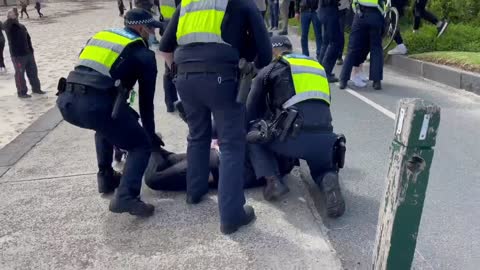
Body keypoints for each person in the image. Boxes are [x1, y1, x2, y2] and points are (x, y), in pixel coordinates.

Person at [158, 0, 272, 234]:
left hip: (186, 79)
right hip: (223, 78)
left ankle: (195, 192)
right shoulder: (242, 3)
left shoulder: (189, 4)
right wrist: (248, 63)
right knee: (231, 144)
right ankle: (232, 215)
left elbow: (165, 47)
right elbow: (266, 53)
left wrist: (177, 73)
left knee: (197, 136)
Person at [56, 8, 163, 217]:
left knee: (107, 125)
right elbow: (146, 103)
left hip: (67, 101)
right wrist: (149, 136)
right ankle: (126, 197)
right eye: (150, 29)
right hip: (95, 106)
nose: (152, 34)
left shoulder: (101, 37)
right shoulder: (144, 55)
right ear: (141, 28)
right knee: (139, 144)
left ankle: (106, 178)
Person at [246, 35, 345, 217]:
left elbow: (250, 113)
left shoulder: (271, 69)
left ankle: (273, 181)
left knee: (252, 131)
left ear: (272, 51)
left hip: (291, 139)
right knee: (322, 167)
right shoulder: (317, 67)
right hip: (326, 139)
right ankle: (328, 178)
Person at [339, 0, 384, 90]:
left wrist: (357, 11)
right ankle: (376, 81)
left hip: (360, 14)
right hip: (375, 14)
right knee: (376, 49)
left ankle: (343, 80)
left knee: (352, 48)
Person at [4, 9, 45, 98]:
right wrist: (10, 18)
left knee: (33, 72)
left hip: (28, 53)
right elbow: (7, 24)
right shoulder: (8, 26)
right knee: (20, 74)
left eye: (13, 13)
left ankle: (36, 89)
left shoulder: (22, 26)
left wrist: (31, 50)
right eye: (10, 14)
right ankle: (22, 92)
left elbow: (28, 38)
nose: (12, 14)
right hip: (17, 55)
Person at [159, 0, 180, 112]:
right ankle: (173, 102)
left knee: (168, 69)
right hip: (176, 24)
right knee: (171, 67)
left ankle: (170, 102)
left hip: (167, 24)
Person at [318, 0, 342, 82]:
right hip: (330, 10)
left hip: (324, 10)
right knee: (335, 42)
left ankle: (321, 70)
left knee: (326, 42)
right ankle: (326, 71)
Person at [336, 0, 351, 65]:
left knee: (340, 34)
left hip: (343, 8)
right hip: (330, 8)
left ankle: (339, 57)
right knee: (330, 33)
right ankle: (331, 55)